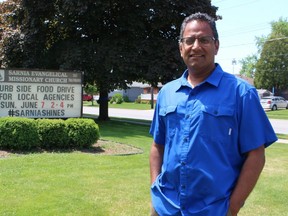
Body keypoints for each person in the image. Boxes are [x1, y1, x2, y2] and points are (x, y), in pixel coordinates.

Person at [149, 12, 277, 216]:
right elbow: (158, 145)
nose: (196, 46)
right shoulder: (167, 93)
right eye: (189, 40)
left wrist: (233, 206)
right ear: (181, 47)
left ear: (216, 45)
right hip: (166, 207)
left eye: (204, 40)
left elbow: (256, 154)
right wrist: (155, 190)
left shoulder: (241, 93)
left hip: (214, 210)